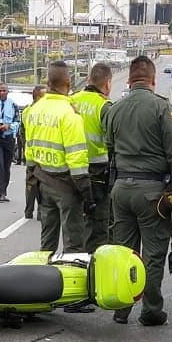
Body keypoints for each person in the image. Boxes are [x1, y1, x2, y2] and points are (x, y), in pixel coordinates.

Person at [105, 55, 172, 327]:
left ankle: (122, 308)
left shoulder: (114, 109)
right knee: (152, 254)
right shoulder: (161, 108)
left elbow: (111, 150)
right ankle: (151, 310)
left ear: (129, 80)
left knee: (124, 252)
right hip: (152, 192)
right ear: (153, 80)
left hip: (121, 189)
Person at [23, 61, 92, 258]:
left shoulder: (33, 111)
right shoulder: (70, 115)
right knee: (73, 245)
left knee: (47, 242)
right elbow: (77, 160)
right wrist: (87, 195)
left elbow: (30, 153)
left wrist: (31, 179)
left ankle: (43, 281)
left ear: (47, 82)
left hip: (43, 183)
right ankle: (70, 283)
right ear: (68, 83)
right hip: (67, 187)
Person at [70, 62, 113, 255]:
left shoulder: (71, 101)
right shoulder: (104, 107)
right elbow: (113, 142)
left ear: (88, 79)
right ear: (108, 84)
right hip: (97, 172)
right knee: (98, 225)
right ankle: (92, 268)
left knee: (75, 222)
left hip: (70, 171)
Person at [20, 85, 45, 219]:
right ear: (37, 97)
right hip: (41, 153)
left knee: (30, 183)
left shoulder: (26, 111)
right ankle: (40, 211)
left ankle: (28, 211)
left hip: (30, 152)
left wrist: (25, 149)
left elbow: (22, 133)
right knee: (42, 184)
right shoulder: (42, 111)